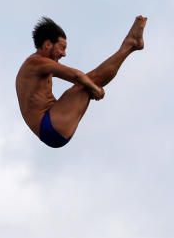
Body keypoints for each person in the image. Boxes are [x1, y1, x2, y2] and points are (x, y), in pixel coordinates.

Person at [15, 15, 146, 148]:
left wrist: (91, 87)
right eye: (62, 47)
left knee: (87, 82)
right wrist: (96, 89)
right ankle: (130, 44)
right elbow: (75, 75)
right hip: (50, 126)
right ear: (48, 44)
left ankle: (131, 45)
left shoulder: (39, 66)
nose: (64, 54)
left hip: (52, 123)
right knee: (89, 81)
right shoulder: (35, 63)